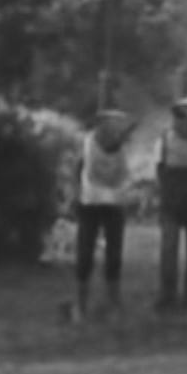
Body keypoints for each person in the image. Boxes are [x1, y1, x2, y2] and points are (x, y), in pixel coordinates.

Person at [70, 108, 137, 323]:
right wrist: (75, 194)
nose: (119, 135)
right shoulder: (89, 145)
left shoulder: (121, 150)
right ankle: (80, 305)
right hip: (91, 201)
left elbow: (124, 175)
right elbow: (84, 170)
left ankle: (113, 305)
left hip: (114, 203)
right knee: (85, 254)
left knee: (114, 255)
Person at [154, 97, 187, 311]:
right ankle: (168, 295)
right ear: (177, 119)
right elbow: (159, 170)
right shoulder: (165, 140)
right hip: (172, 199)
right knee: (169, 248)